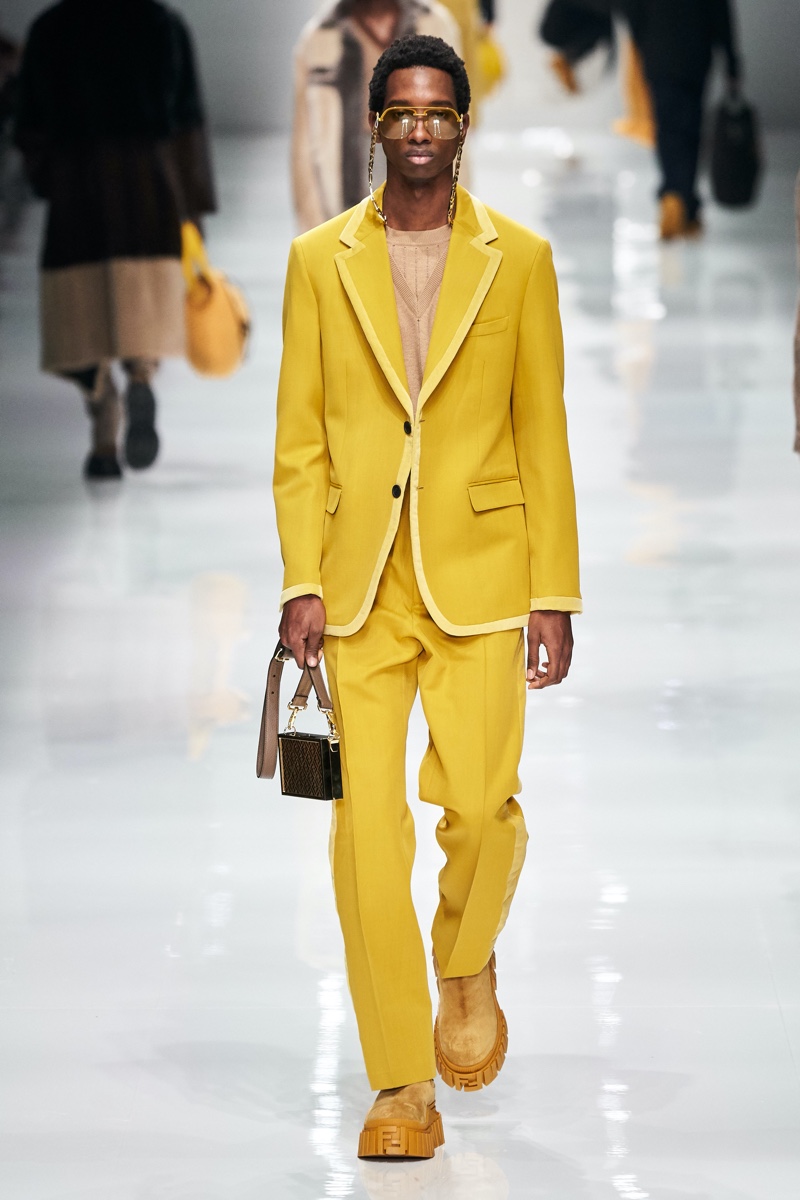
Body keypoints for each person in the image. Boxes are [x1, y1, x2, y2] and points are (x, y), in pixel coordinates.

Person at [274, 33, 581, 1159]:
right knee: (365, 835)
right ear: (374, 127)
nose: (418, 130)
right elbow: (299, 441)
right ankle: (400, 1082)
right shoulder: (319, 261)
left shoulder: (520, 259)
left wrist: (554, 591)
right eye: (399, 112)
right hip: (359, 584)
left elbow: (541, 433)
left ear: (462, 126)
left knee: (485, 810)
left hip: (484, 573)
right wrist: (301, 578)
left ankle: (465, 956)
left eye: (436, 113)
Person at [13, 0, 216, 480]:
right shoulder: (163, 25)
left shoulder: (51, 29)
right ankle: (141, 373)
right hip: (150, 184)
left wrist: (47, 178)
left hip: (78, 183)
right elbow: (187, 117)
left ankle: (103, 422)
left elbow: (30, 121)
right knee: (143, 301)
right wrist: (192, 207)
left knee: (78, 312)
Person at [291, 0, 459, 233]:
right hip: (345, 166)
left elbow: (456, 129)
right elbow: (304, 146)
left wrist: (457, 220)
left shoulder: (433, 24)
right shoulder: (319, 37)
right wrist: (314, 230)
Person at [634, 0, 741, 239]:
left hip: (658, 53)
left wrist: (642, 42)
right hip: (694, 54)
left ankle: (673, 195)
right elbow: (720, 14)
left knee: (667, 129)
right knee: (691, 130)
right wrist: (732, 61)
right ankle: (687, 203)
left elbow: (632, 10)